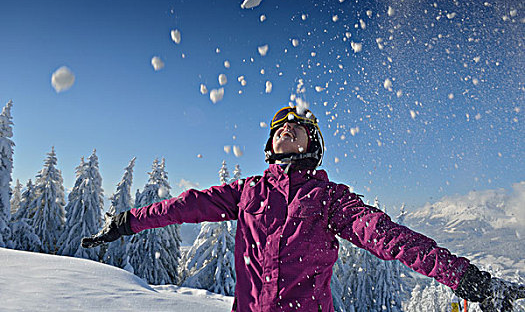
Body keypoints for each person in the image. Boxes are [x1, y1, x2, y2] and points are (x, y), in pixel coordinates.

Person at [82, 106, 524, 312]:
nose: (287, 130)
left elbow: (390, 238)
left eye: (297, 128)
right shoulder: (247, 191)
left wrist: (467, 278)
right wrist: (125, 222)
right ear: (271, 146)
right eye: (279, 129)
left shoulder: (331, 199)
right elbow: (184, 206)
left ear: (313, 145)